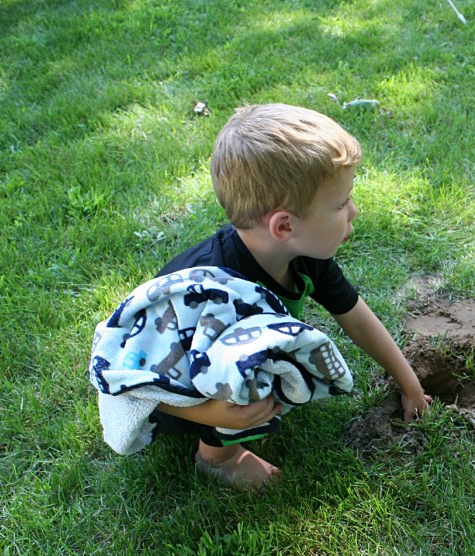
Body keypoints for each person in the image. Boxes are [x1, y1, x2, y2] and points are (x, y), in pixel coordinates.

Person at [153, 103, 431, 488]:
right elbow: (139, 382)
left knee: (264, 363)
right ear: (284, 226)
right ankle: (217, 458)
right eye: (341, 204)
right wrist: (217, 414)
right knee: (249, 369)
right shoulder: (211, 292)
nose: (354, 211)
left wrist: (410, 384)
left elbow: (356, 318)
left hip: (221, 378)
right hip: (174, 390)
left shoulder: (304, 256)